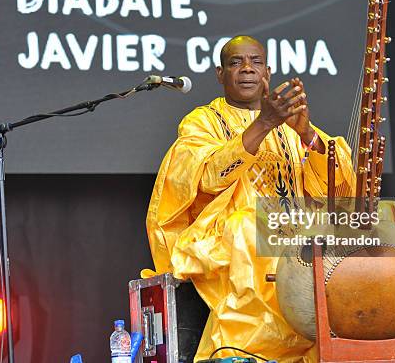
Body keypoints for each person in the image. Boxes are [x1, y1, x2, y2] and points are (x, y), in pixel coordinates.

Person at [143, 35, 355, 362]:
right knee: (248, 227)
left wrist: (307, 134)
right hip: (228, 238)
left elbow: (340, 192)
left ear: (267, 71)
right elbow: (208, 176)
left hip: (294, 235)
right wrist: (264, 123)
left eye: (255, 62)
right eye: (235, 62)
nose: (246, 69)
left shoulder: (292, 127)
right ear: (220, 74)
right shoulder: (203, 121)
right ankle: (249, 352)